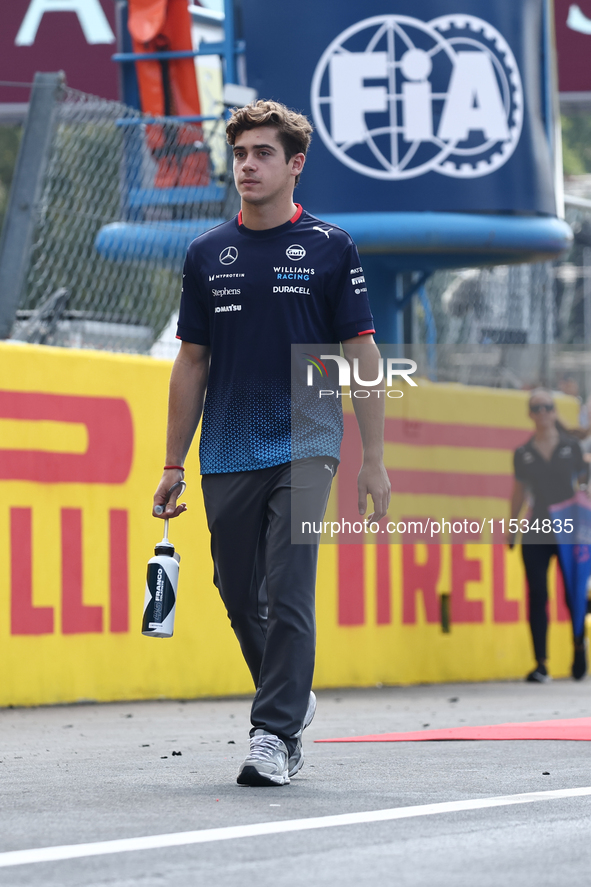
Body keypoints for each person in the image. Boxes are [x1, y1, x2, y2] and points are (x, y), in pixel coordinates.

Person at [152, 100, 390, 786]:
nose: (247, 166)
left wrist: (371, 457)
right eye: (240, 154)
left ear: (294, 165)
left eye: (262, 154)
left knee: (290, 586)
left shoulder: (330, 246)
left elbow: (360, 353)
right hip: (225, 444)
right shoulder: (205, 254)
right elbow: (191, 361)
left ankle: (273, 733)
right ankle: (289, 695)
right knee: (236, 587)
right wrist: (172, 461)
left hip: (308, 435)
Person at [509, 389, 588, 683]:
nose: (543, 412)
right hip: (537, 527)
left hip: (568, 528)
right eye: (537, 408)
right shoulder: (523, 453)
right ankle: (540, 663)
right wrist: (511, 526)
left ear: (555, 411)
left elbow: (583, 487)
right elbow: (518, 493)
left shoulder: (571, 448)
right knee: (538, 594)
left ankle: (579, 646)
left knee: (572, 592)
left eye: (547, 407)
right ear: (530, 414)